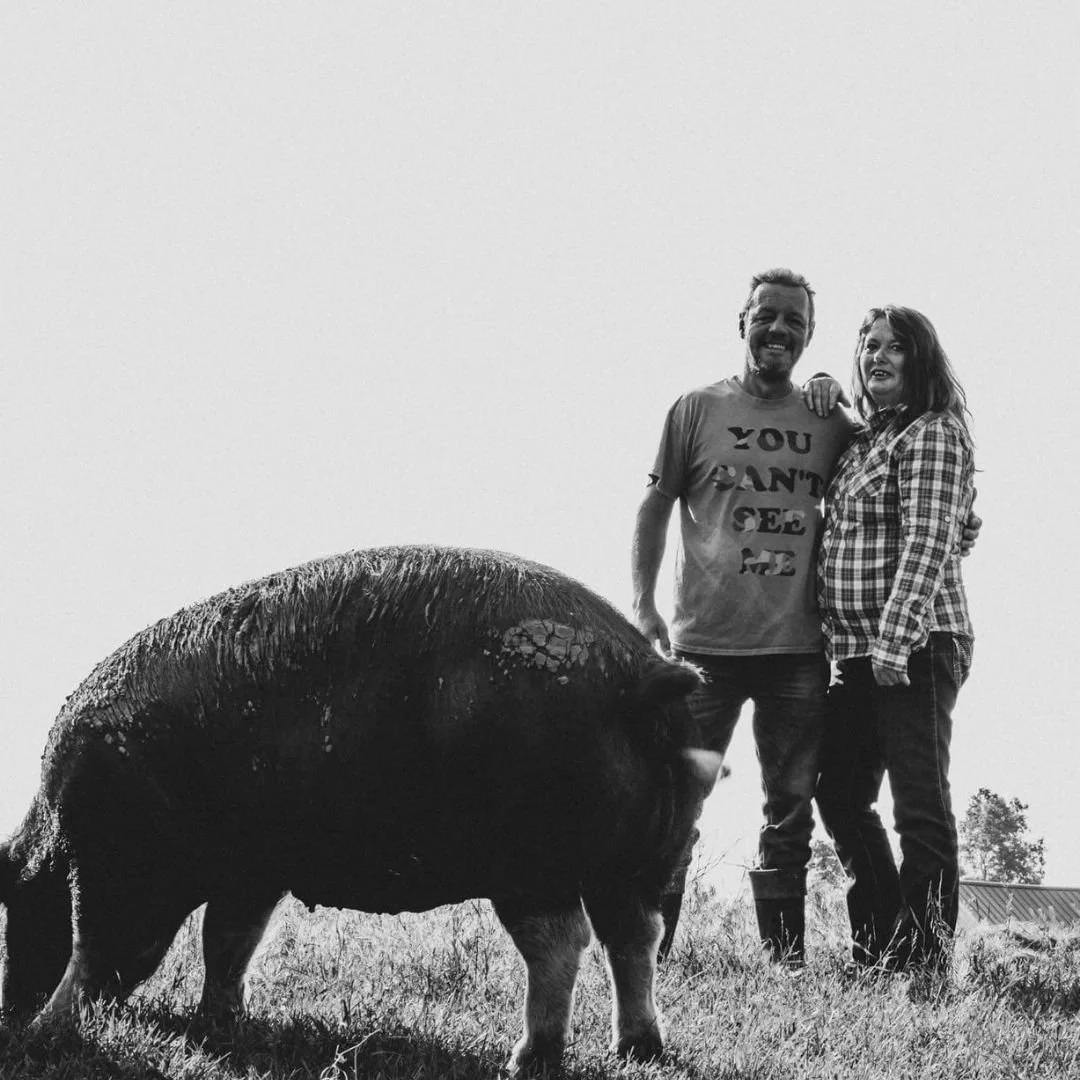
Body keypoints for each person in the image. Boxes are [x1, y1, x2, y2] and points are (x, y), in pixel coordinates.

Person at [632, 268, 857, 966]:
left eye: (795, 321)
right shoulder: (696, 409)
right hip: (704, 649)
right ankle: (652, 952)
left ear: (809, 335)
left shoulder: (830, 424)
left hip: (796, 649)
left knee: (789, 807)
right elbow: (655, 504)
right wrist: (641, 604)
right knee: (676, 801)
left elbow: (889, 472)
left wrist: (835, 387)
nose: (779, 330)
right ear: (743, 322)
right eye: (767, 316)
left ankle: (783, 959)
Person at [814, 305, 975, 975]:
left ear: (920, 359)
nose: (877, 355)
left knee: (919, 805)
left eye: (895, 347)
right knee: (839, 792)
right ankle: (880, 943)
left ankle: (929, 962)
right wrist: (818, 386)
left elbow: (931, 537)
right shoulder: (859, 444)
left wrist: (895, 639)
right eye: (867, 345)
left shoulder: (932, 432)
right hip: (856, 653)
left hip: (918, 643)